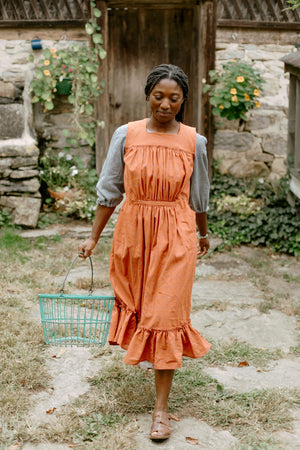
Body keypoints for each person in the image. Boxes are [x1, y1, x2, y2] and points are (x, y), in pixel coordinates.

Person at [79, 63, 211, 441]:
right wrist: (93, 238)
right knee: (144, 310)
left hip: (177, 234)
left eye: (174, 98)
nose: (165, 105)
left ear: (183, 100)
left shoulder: (193, 142)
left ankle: (160, 410)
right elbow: (110, 190)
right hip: (133, 231)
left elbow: (198, 196)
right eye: (158, 96)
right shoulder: (127, 135)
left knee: (167, 313)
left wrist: (203, 233)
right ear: (148, 96)